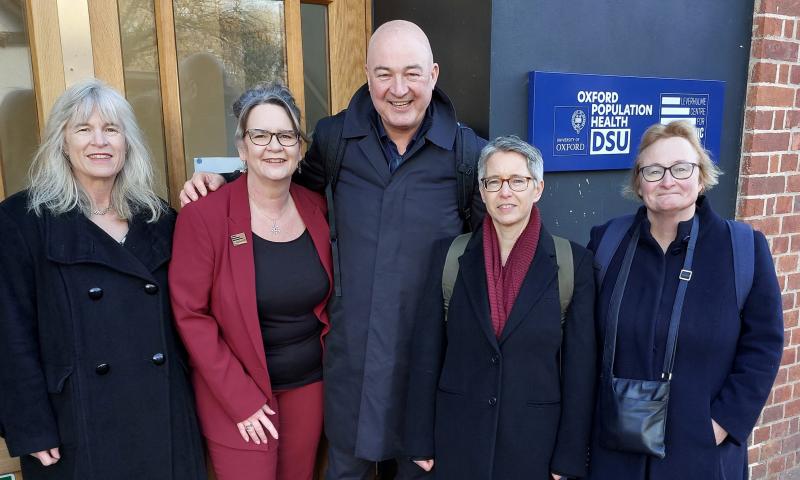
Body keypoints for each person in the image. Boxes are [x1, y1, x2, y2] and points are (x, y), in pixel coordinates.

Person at [180, 20, 485, 479]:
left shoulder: (467, 155)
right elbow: (277, 181)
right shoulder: (334, 140)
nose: (398, 89)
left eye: (412, 73)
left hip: (427, 373)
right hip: (349, 374)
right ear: (366, 73)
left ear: (434, 74)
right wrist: (221, 182)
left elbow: (494, 256)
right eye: (384, 73)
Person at [0, 79, 206, 479]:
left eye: (112, 129)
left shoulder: (158, 219)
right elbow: (9, 333)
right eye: (83, 129)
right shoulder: (22, 221)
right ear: (62, 140)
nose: (100, 141)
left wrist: (221, 185)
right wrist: (30, 427)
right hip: (74, 423)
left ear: (127, 142)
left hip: (163, 415)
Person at [585, 121, 783, 479]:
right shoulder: (606, 244)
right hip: (614, 454)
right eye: (653, 170)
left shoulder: (742, 249)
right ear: (638, 182)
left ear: (701, 177)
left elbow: (764, 345)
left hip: (700, 455)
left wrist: (721, 423)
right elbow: (584, 341)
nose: (667, 180)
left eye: (681, 168)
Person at [404, 136, 596, 479]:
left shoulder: (574, 263)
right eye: (494, 181)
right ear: (482, 189)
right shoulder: (449, 256)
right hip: (459, 440)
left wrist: (568, 457)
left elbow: (579, 371)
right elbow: (426, 353)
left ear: (537, 188)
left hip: (534, 446)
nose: (504, 192)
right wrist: (419, 439)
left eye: (517, 181)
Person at [169, 84, 332, 480]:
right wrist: (240, 400)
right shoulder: (205, 216)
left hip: (308, 386)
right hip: (235, 393)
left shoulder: (318, 207)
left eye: (286, 135)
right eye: (260, 135)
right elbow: (191, 314)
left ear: (299, 147)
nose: (273, 146)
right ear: (242, 147)